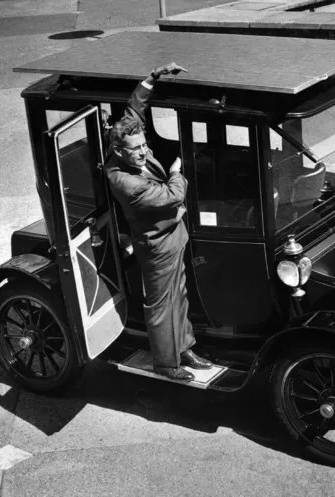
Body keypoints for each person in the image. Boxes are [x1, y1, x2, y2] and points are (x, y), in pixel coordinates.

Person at [105, 62, 212, 381]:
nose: (142, 152)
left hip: (174, 240)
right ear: (118, 151)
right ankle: (167, 364)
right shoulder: (125, 182)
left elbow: (134, 112)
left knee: (179, 297)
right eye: (135, 150)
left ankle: (185, 348)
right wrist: (178, 170)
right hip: (157, 250)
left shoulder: (128, 139)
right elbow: (172, 196)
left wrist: (152, 77)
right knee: (161, 307)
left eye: (143, 146)